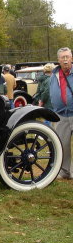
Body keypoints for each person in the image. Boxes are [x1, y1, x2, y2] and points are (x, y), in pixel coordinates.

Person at [50, 47, 73, 179]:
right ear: (58, 60)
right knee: (62, 144)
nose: (65, 60)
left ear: (72, 58)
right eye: (62, 57)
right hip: (60, 114)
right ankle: (64, 172)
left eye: (67, 57)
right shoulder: (54, 75)